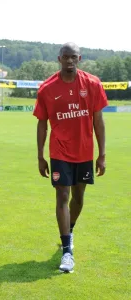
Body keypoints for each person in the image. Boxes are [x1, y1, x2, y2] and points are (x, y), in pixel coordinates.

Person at [33, 42, 108, 273]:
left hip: (84, 152)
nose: (69, 61)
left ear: (79, 58)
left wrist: (102, 154)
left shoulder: (92, 84)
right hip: (59, 152)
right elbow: (42, 124)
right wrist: (40, 156)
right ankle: (67, 251)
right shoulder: (47, 88)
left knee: (79, 197)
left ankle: (70, 229)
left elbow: (98, 121)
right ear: (59, 59)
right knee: (62, 195)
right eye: (65, 57)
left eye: (73, 57)